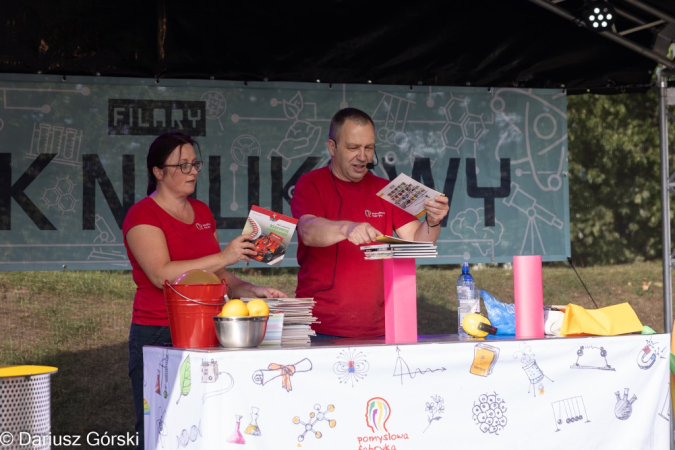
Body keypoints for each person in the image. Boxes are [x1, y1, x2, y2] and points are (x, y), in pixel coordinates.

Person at [123, 131, 287, 449]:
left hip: (208, 332)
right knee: (159, 425)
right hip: (159, 334)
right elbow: (161, 275)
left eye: (194, 163)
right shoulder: (142, 214)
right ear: (157, 171)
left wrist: (252, 290)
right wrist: (225, 255)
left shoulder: (201, 212)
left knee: (204, 424)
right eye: (183, 165)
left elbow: (219, 275)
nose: (193, 171)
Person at [291, 108, 449, 338]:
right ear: (332, 147)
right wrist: (348, 228)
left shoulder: (385, 188)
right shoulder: (310, 183)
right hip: (320, 327)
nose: (363, 156)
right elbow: (308, 230)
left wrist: (433, 220)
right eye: (353, 148)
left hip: (381, 328)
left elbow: (418, 242)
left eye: (369, 148)